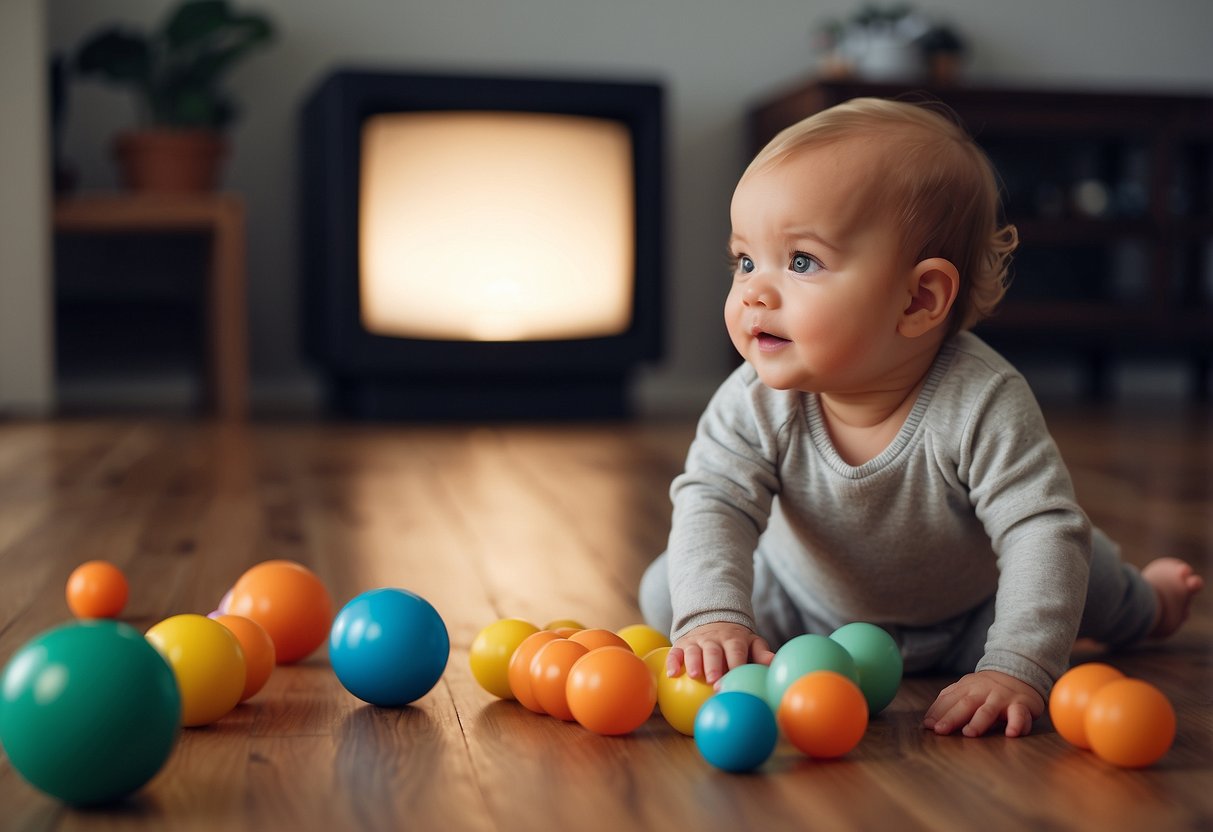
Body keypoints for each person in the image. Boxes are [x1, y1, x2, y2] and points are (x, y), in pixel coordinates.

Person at [639, 97, 1203, 738]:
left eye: (801, 262)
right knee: (671, 592)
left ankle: (1151, 602)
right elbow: (714, 500)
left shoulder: (981, 400)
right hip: (806, 607)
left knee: (1074, 563)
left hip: (973, 614)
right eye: (745, 260)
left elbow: (1038, 531)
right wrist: (713, 616)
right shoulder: (753, 400)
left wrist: (1016, 666)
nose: (754, 292)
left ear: (920, 299)